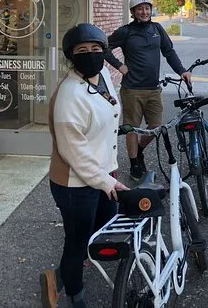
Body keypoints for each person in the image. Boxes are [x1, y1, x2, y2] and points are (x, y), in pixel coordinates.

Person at [39, 23, 129, 308]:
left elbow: (109, 109)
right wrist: (108, 181)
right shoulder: (69, 95)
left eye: (96, 48)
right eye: (82, 50)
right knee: (77, 241)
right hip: (74, 184)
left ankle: (60, 276)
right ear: (71, 56)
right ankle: (74, 295)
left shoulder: (103, 76)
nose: (90, 54)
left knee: (101, 229)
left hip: (103, 174)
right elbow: (73, 152)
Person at [104, 0, 192, 180]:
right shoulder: (126, 32)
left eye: (147, 8)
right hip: (132, 90)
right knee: (132, 128)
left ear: (151, 10)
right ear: (133, 12)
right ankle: (134, 163)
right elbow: (104, 47)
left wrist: (182, 71)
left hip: (153, 89)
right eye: (140, 9)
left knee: (156, 127)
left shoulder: (157, 29)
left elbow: (169, 52)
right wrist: (119, 66)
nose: (144, 12)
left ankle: (140, 150)